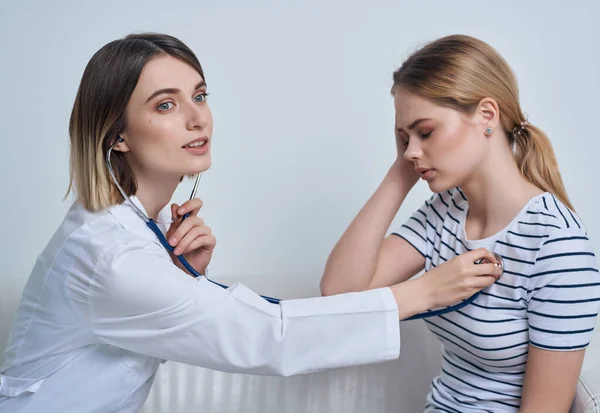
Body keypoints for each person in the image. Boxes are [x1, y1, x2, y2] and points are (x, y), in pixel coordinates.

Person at [0, 33, 502, 412]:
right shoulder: (112, 255)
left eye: (199, 95)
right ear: (117, 136)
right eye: (166, 105)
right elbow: (269, 335)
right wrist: (422, 294)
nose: (198, 119)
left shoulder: (128, 229)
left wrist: (183, 281)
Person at [320, 34, 600, 412]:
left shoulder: (558, 247)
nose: (413, 150)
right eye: (404, 138)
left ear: (486, 115)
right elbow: (339, 295)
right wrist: (401, 171)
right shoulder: (447, 210)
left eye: (426, 132)